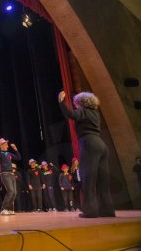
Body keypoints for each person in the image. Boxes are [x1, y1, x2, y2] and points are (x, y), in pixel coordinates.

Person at [58, 90, 115, 218]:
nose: (75, 105)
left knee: (88, 178)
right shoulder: (95, 112)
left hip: (89, 143)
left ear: (80, 102)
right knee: (103, 181)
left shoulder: (83, 111)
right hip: (101, 145)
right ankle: (107, 211)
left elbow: (71, 114)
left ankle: (91, 211)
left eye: (75, 103)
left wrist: (61, 102)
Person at [0, 136, 21, 215]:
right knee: (10, 191)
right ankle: (3, 209)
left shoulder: (8, 153)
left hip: (11, 174)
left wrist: (15, 149)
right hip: (5, 174)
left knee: (14, 192)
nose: (7, 146)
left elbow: (18, 158)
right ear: (1, 145)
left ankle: (10, 209)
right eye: (5, 144)